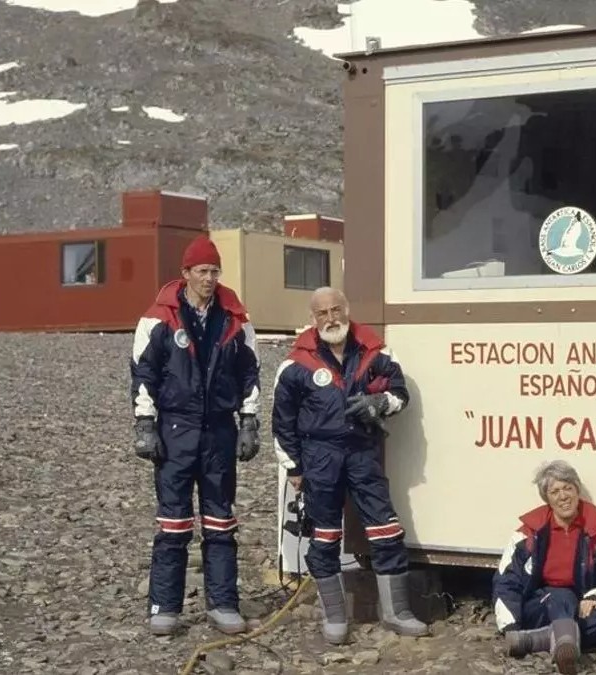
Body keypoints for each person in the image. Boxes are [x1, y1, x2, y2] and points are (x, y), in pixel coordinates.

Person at [271, 286, 428, 644]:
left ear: (347, 309)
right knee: (324, 536)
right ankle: (336, 616)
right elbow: (282, 421)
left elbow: (401, 393)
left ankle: (397, 613)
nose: (331, 318)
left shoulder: (376, 351)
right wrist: (293, 467)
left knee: (386, 529)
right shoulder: (296, 363)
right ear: (313, 319)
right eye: (323, 313)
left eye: (336, 309)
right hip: (320, 457)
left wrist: (378, 404)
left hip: (362, 452)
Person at [129, 234, 262, 636]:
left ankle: (223, 604)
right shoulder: (158, 318)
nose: (209, 278)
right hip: (175, 429)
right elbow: (142, 373)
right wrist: (145, 424)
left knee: (221, 521)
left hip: (220, 430)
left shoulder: (236, 318)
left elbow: (250, 372)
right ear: (185, 273)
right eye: (202, 271)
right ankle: (164, 606)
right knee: (173, 523)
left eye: (214, 271)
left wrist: (250, 421)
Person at [492, 460, 596, 675]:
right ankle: (565, 644)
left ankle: (540, 639)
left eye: (568, 488)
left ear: (577, 491)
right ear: (547, 498)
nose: (563, 496)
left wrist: (594, 597)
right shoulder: (527, 534)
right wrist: (510, 626)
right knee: (561, 596)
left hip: (581, 606)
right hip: (542, 603)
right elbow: (506, 581)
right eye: (554, 491)